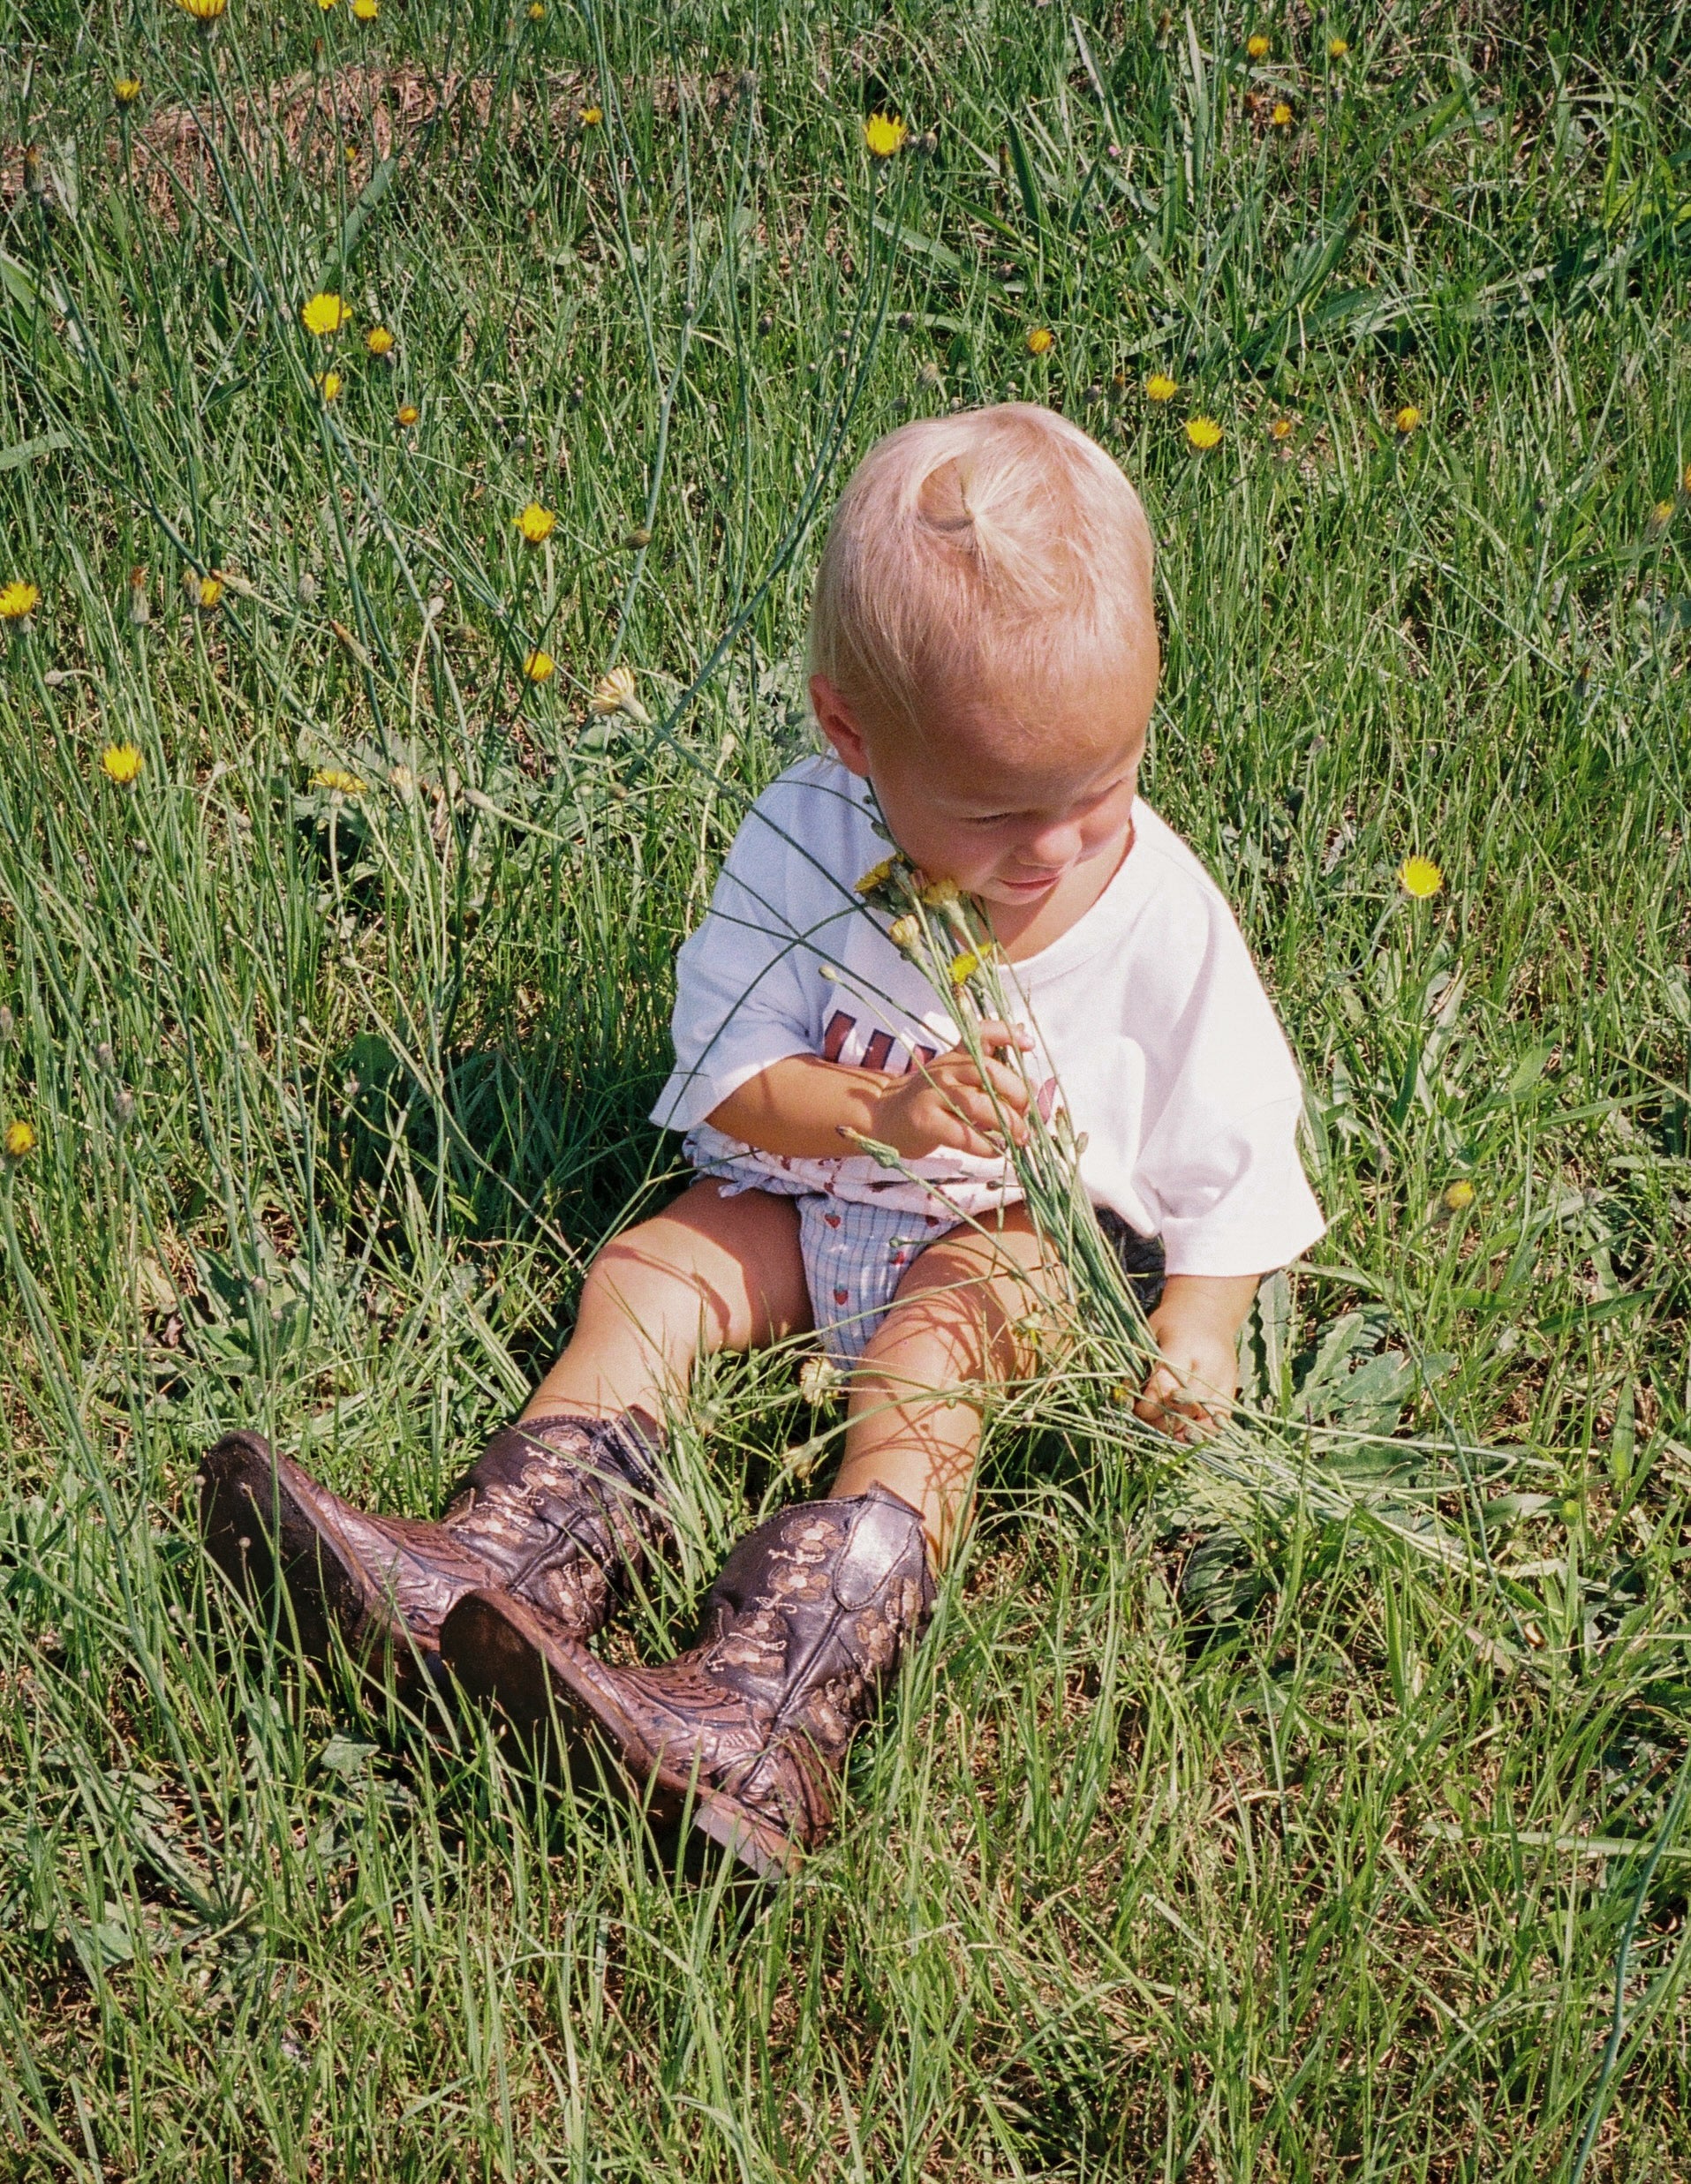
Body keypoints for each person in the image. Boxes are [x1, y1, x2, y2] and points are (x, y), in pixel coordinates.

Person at [201, 403, 1325, 1877]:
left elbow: (1234, 1121)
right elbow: (728, 1075)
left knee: (936, 1354)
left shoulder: (1153, 910)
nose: (1053, 850)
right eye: (996, 811)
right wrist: (880, 1114)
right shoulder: (803, 837)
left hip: (1016, 1238)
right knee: (652, 1267)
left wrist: (1203, 1317)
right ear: (853, 733)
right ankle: (501, 1556)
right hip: (816, 1184)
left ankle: (770, 1704)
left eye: (1098, 793)